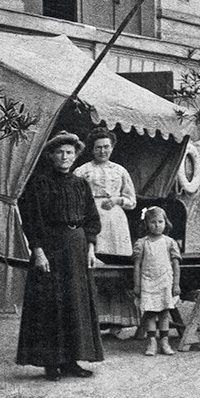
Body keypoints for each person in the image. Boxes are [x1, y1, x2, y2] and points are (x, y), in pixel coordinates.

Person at [16, 131, 103, 380]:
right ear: (51, 155)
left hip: (77, 247)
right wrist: (39, 251)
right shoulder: (39, 183)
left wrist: (90, 247)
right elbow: (32, 220)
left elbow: (92, 218)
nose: (64, 157)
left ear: (75, 156)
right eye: (60, 152)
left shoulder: (80, 184)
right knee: (51, 305)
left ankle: (72, 361)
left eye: (69, 153)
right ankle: (52, 362)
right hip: (51, 247)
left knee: (75, 302)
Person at [73, 127, 137, 333]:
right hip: (91, 219)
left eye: (106, 147)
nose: (103, 151)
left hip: (116, 222)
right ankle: (93, 322)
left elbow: (132, 201)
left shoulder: (120, 171)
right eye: (99, 147)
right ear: (92, 149)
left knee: (116, 270)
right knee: (94, 268)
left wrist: (118, 199)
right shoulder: (82, 171)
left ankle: (117, 322)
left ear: (112, 147)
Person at [132, 206, 181, 356]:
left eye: (160, 221)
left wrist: (176, 284)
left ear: (166, 223)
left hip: (165, 280)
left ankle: (164, 342)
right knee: (150, 313)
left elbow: (176, 265)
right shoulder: (142, 243)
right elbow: (137, 265)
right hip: (148, 281)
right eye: (153, 222)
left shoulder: (169, 242)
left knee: (165, 312)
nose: (157, 225)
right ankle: (152, 342)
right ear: (146, 224)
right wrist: (137, 285)